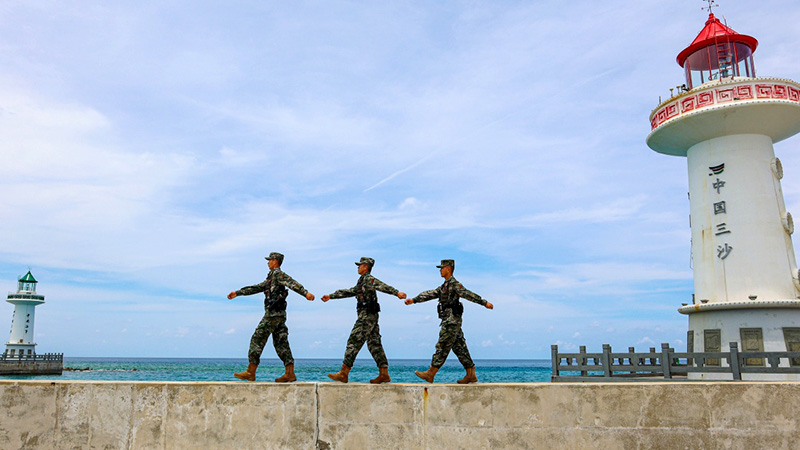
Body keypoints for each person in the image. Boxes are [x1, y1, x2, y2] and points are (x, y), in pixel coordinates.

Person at [227, 252, 315, 382]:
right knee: (281, 343)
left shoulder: (278, 274)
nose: (268, 262)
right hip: (279, 316)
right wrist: (238, 293)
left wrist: (305, 293)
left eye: (270, 260)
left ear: (275, 261)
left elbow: (292, 283)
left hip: (272, 315)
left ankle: (251, 371)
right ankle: (289, 373)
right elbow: (257, 287)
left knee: (257, 339)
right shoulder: (271, 277)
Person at [405, 259, 493, 384]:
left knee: (443, 345)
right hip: (448, 319)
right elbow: (429, 294)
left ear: (449, 268)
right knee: (459, 347)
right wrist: (414, 300)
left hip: (452, 320)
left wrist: (484, 302)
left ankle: (431, 373)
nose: (440, 270)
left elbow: (468, 294)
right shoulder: (444, 286)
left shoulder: (455, 285)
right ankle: (471, 374)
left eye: (442, 268)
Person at [322, 257, 406, 383]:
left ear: (365, 266)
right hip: (370, 315)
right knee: (374, 344)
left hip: (367, 316)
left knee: (354, 341)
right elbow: (351, 291)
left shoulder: (368, 279)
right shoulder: (361, 281)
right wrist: (331, 296)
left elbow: (382, 285)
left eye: (360, 265)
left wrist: (397, 293)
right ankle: (384, 374)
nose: (358, 267)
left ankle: (344, 373)